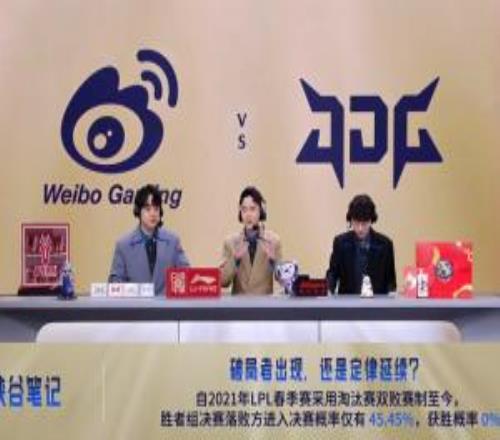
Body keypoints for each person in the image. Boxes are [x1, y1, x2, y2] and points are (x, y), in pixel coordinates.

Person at [109, 184, 189, 295]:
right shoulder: (123, 245)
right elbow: (115, 283)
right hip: (135, 305)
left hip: (166, 305)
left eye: (156, 209)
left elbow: (186, 274)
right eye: (148, 209)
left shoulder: (173, 241)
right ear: (138, 211)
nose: (153, 214)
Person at [326, 194, 396, 294]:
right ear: (350, 220)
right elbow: (332, 273)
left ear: (371, 220)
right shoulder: (340, 243)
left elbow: (391, 281)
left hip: (377, 301)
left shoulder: (385, 245)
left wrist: (391, 295)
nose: (360, 228)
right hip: (347, 301)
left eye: (364, 223)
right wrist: (328, 290)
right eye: (356, 223)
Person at [220, 186, 282, 295]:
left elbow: (283, 281)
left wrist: (274, 262)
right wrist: (235, 260)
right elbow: (222, 281)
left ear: (261, 211)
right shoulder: (230, 242)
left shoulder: (273, 241)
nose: (248, 214)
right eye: (244, 210)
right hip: (239, 304)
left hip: (264, 304)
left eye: (252, 209)